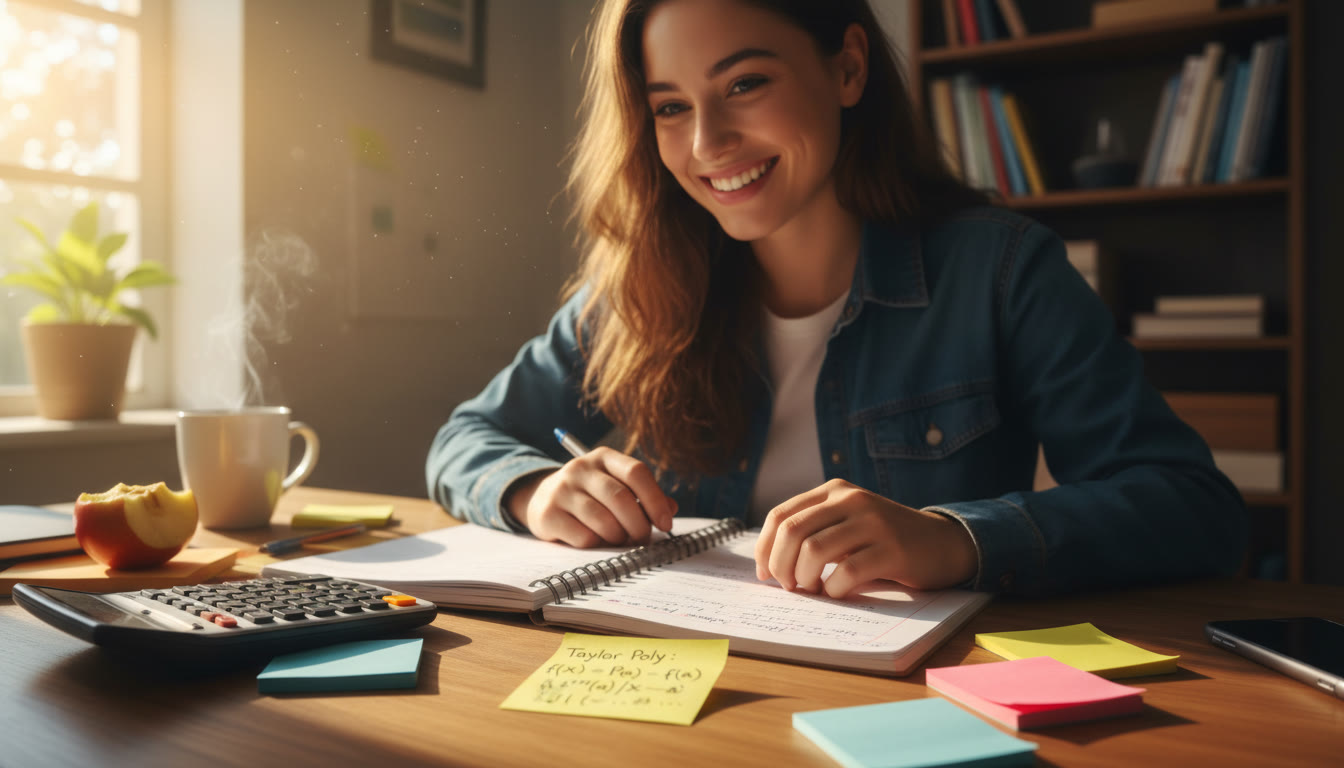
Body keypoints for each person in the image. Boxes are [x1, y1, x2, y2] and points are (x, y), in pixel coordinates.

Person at [426, 0, 1245, 598]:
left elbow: (1194, 509)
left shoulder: (999, 270)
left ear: (848, 67)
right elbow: (467, 437)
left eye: (744, 83)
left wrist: (955, 538)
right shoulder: (639, 287)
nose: (707, 145)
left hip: (919, 704)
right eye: (671, 107)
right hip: (690, 696)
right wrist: (533, 491)